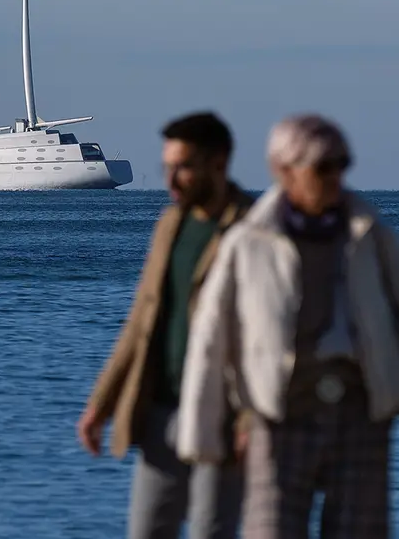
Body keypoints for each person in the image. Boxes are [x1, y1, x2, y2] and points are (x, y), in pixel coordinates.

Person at [177, 113, 399, 538]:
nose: (335, 176)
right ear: (284, 171)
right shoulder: (249, 242)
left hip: (360, 411)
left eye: (341, 164)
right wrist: (203, 436)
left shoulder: (369, 234)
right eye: (323, 166)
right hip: (278, 414)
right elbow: (211, 337)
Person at [77, 111, 253, 539]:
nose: (171, 180)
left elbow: (270, 338)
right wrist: (102, 402)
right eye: (167, 167)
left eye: (184, 167)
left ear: (220, 163)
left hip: (221, 418)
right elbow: (141, 322)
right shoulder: (169, 225)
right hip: (157, 411)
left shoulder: (255, 229)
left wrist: (251, 420)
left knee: (214, 531)